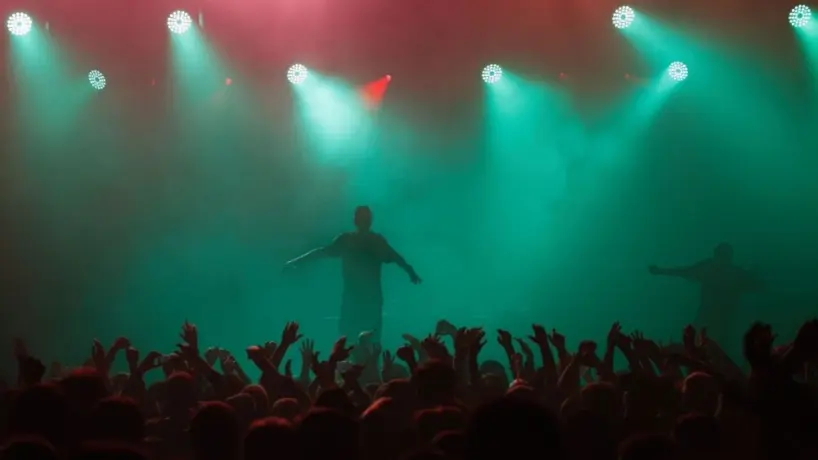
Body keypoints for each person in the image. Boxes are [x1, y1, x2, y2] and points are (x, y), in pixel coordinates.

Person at [284, 206, 421, 342]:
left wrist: (297, 261)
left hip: (360, 298)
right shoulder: (369, 241)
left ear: (355, 220)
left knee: (352, 337)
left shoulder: (355, 240)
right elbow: (396, 258)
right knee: (365, 337)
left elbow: (322, 252)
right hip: (364, 298)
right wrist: (410, 271)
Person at [648, 242, 761, 343]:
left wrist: (660, 271)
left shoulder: (732, 273)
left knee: (711, 348)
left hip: (721, 322)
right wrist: (660, 271)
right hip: (707, 319)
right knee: (700, 346)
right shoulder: (713, 269)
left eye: (724, 256)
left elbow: (756, 286)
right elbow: (683, 271)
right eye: (721, 255)